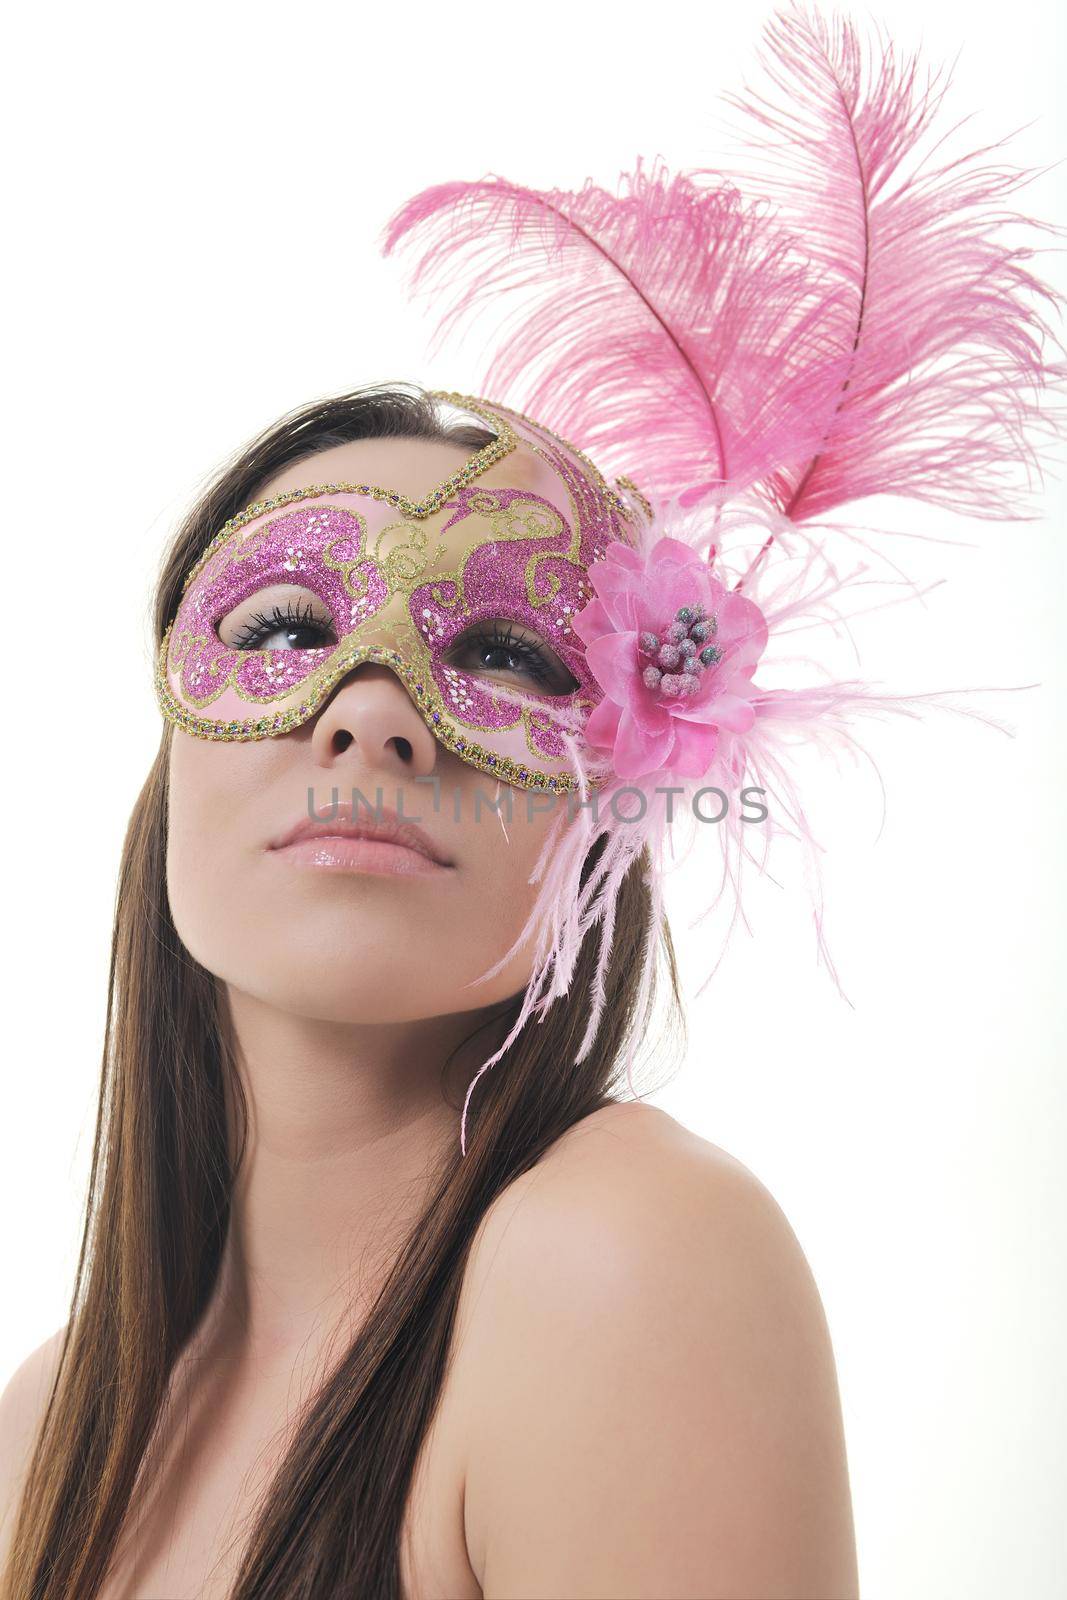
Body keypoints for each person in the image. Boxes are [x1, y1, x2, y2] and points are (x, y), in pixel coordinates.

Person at [2, 5, 1062, 1596]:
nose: (372, 719)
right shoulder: (50, 1427)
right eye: (285, 626)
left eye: (506, 655)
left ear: (613, 803)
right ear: (171, 739)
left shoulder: (620, 1257)